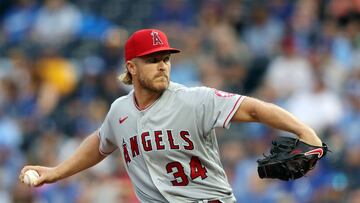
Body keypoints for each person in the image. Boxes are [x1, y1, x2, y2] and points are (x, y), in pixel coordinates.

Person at [19, 29, 323, 203]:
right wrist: (56, 172)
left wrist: (304, 131)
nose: (163, 65)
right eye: (153, 60)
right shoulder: (120, 112)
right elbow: (101, 141)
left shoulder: (194, 99)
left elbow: (254, 108)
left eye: (165, 58)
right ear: (131, 67)